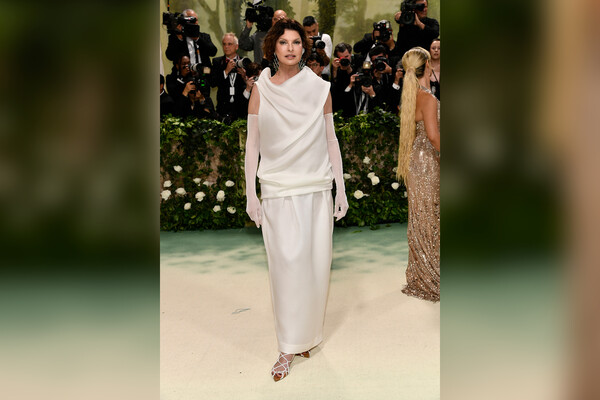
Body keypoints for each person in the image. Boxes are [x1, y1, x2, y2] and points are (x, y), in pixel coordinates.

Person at [244, 18, 348, 382]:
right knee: (286, 266)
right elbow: (253, 145)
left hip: (316, 189)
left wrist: (341, 188)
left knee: (314, 267)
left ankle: (307, 336)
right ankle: (287, 347)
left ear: (304, 48)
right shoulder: (261, 90)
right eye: (283, 42)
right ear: (272, 47)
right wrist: (250, 193)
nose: (290, 48)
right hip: (277, 190)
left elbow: (331, 139)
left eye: (296, 42)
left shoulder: (320, 88)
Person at [396, 47, 440, 302]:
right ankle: (431, 275)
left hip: (415, 161)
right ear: (429, 66)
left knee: (421, 218)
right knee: (430, 218)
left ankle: (422, 274)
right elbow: (433, 137)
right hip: (429, 163)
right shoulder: (428, 98)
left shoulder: (410, 96)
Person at [209, 33, 251, 122]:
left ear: (236, 46)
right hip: (223, 108)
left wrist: (244, 77)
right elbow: (213, 83)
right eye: (224, 44)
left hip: (241, 107)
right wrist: (226, 71)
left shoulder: (245, 62)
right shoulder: (217, 62)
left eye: (229, 44)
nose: (226, 47)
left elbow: (251, 85)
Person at [302, 16, 332, 80]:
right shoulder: (302, 41)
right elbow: (300, 63)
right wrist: (307, 47)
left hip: (323, 76)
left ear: (317, 26)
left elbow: (326, 63)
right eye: (308, 32)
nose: (312, 34)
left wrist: (322, 52)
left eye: (314, 31)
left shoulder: (325, 38)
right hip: (305, 76)